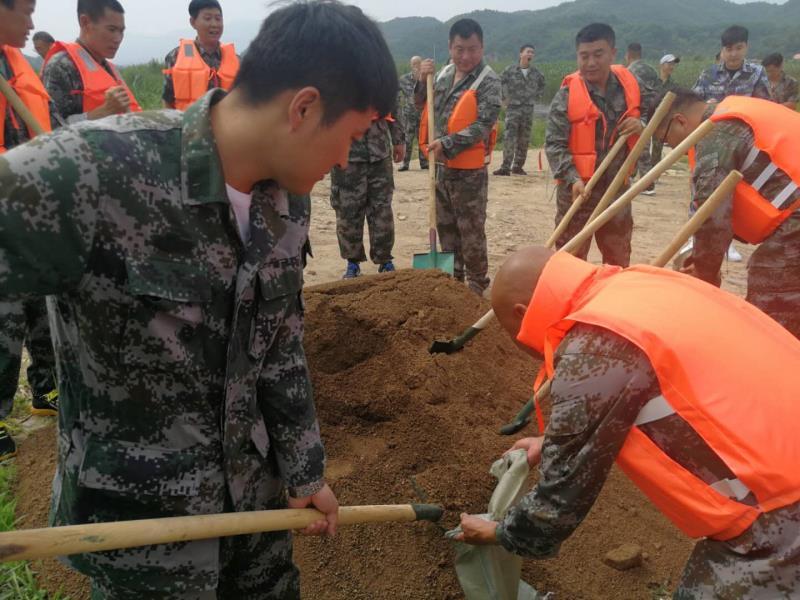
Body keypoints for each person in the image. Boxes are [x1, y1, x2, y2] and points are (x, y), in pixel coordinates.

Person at [0, 1, 397, 597]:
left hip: (255, 521)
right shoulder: (90, 171)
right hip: (144, 535)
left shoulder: (288, 201)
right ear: (305, 108)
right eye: (352, 136)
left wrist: (304, 469)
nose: (345, 161)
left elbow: (280, 343)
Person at [457, 246, 800, 599]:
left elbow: (558, 503)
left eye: (512, 333)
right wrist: (553, 442)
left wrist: (499, 533)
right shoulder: (635, 286)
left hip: (783, 507)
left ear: (522, 313)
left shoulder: (594, 344)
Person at [653, 88, 800, 339]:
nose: (672, 147)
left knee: (771, 297)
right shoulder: (730, 110)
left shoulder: (714, 134)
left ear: (679, 121)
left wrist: (705, 271)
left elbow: (713, 214)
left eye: (666, 140)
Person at [0, 0, 60, 462]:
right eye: (25, 11)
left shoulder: (19, 65)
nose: (33, 23)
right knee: (5, 317)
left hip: (32, 207)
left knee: (42, 303)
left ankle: (45, 388)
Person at [545, 23, 643, 267]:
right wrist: (572, 178)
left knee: (618, 261)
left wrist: (641, 123)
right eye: (584, 56)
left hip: (616, 190)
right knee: (570, 262)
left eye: (598, 54)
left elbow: (658, 117)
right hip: (579, 192)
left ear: (613, 53)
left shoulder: (630, 87)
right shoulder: (566, 96)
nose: (590, 63)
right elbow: (554, 145)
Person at [416, 18, 501, 296]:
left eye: (473, 49)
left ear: (482, 47)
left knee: (471, 232)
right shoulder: (442, 74)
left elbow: (482, 126)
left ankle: (477, 285)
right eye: (459, 49)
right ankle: (453, 283)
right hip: (441, 168)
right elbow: (423, 104)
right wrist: (421, 80)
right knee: (446, 229)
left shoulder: (488, 81)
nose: (466, 56)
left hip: (469, 173)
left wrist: (447, 142)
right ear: (450, 47)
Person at [330, 112, 405, 278]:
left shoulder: (382, 84)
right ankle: (352, 262)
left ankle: (385, 260)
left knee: (382, 208)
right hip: (345, 154)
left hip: (379, 153)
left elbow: (392, 105)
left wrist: (399, 140)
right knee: (348, 209)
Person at [42, 0, 140, 123]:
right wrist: (104, 111)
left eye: (121, 31)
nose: (118, 39)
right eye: (111, 29)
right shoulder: (61, 66)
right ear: (85, 23)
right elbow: (51, 128)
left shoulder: (110, 69)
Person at [162, 0, 239, 110]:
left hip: (227, 124)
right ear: (193, 22)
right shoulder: (176, 57)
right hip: (189, 125)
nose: (214, 24)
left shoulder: (237, 60)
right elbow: (167, 100)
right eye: (207, 18)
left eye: (218, 19)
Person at [494, 44, 545, 176]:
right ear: (520, 54)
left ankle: (518, 166)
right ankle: (505, 167)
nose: (530, 55)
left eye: (532, 53)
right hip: (513, 109)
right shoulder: (510, 70)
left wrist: (535, 97)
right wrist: (504, 97)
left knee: (524, 139)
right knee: (509, 137)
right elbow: (499, 82)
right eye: (528, 52)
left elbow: (542, 86)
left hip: (528, 109)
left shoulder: (536, 73)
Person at [692, 25, 770, 103]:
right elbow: (692, 102)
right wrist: (708, 106)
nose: (733, 54)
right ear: (722, 50)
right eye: (729, 49)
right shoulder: (707, 74)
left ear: (746, 47)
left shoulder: (757, 72)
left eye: (739, 48)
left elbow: (764, 104)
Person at [625, 42, 660, 195]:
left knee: (639, 147)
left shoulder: (629, 71)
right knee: (644, 144)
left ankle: (647, 183)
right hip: (653, 112)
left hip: (637, 113)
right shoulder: (652, 70)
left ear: (629, 55)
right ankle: (631, 175)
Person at [397, 56, 428, 171]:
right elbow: (395, 92)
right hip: (408, 115)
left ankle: (424, 163)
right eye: (414, 64)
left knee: (422, 139)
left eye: (418, 64)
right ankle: (405, 164)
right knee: (408, 139)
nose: (416, 66)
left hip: (422, 115)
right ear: (411, 65)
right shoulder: (403, 79)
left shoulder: (426, 80)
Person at [650, 54, 680, 166]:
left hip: (663, 120)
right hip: (648, 117)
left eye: (673, 64)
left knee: (657, 147)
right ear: (661, 65)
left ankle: (653, 173)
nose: (671, 67)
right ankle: (633, 172)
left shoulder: (674, 85)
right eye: (669, 64)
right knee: (641, 146)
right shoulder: (652, 82)